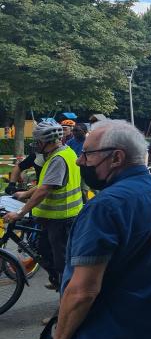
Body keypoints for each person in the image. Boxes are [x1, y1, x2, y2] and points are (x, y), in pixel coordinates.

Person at [53, 120, 151, 339]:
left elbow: (82, 291)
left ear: (116, 158)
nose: (79, 161)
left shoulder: (105, 207)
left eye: (87, 154)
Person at [5, 122, 82, 292]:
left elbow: (44, 190)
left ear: (49, 141)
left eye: (38, 141)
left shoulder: (58, 159)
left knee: (62, 265)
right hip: (53, 218)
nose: (36, 144)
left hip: (62, 219)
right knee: (43, 252)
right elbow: (45, 184)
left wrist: (19, 213)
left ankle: (64, 307)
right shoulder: (57, 154)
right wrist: (24, 194)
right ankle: (57, 281)